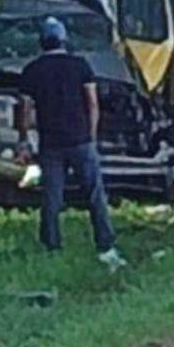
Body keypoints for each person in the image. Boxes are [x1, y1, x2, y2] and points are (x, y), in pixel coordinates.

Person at [19, 17, 126, 269]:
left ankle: (51, 245)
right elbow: (92, 103)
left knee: (52, 198)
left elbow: (24, 110)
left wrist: (24, 140)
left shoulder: (32, 70)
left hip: (51, 143)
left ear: (42, 43)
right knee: (94, 194)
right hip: (80, 140)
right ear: (65, 40)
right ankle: (105, 244)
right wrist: (91, 133)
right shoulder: (80, 66)